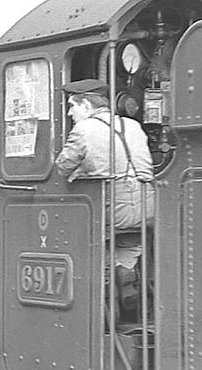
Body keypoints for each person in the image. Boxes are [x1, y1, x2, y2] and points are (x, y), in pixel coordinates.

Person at [54, 78, 154, 318]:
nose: (69, 113)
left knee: (97, 247)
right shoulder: (132, 125)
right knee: (129, 245)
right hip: (146, 207)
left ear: (86, 105)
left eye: (72, 106)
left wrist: (79, 172)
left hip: (113, 209)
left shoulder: (84, 130)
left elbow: (62, 167)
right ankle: (127, 271)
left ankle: (109, 297)